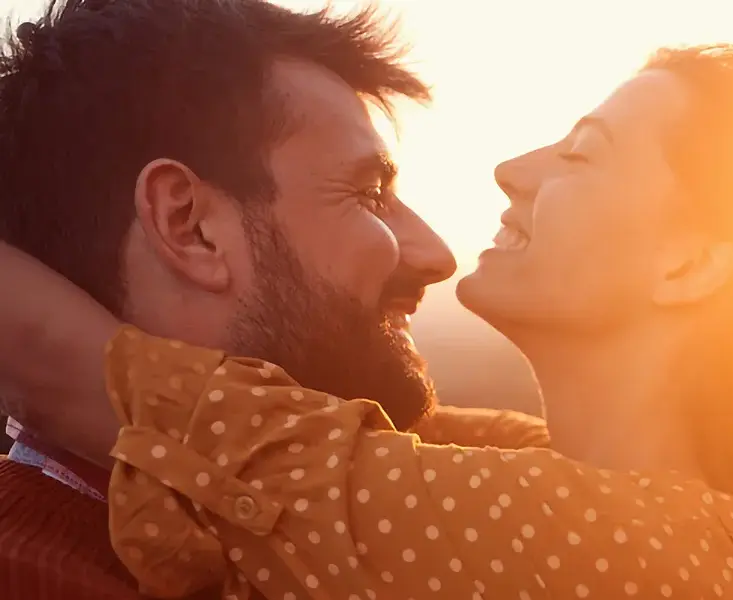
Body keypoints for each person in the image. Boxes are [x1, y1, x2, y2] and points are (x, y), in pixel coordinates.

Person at [4, 40, 733, 600]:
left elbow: (178, 415)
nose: (508, 169)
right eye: (366, 192)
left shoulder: (658, 553)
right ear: (187, 224)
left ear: (691, 262)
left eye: (583, 153)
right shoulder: (503, 474)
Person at [0, 1, 548, 599]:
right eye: (368, 194)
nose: (436, 254)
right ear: (190, 226)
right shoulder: (35, 573)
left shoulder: (433, 469)